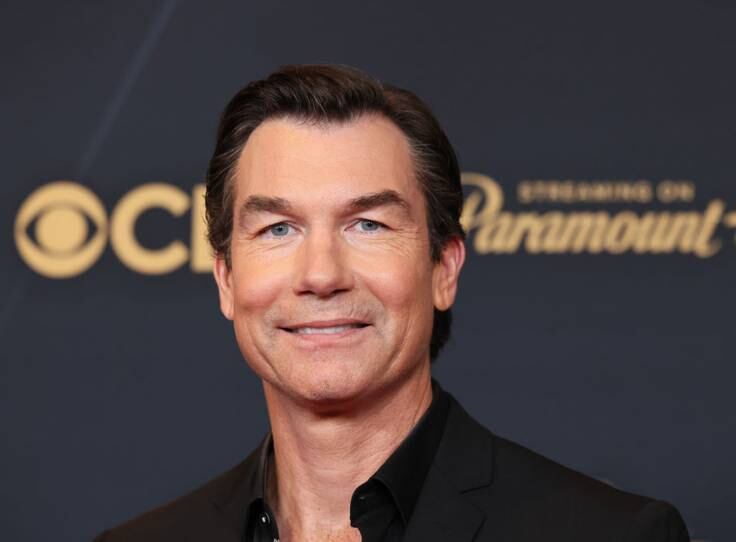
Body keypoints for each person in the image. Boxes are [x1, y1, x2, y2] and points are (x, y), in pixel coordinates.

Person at [94, 64, 689, 542]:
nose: (321, 275)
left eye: (369, 225)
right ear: (226, 279)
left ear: (443, 267)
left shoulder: (611, 534)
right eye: (278, 229)